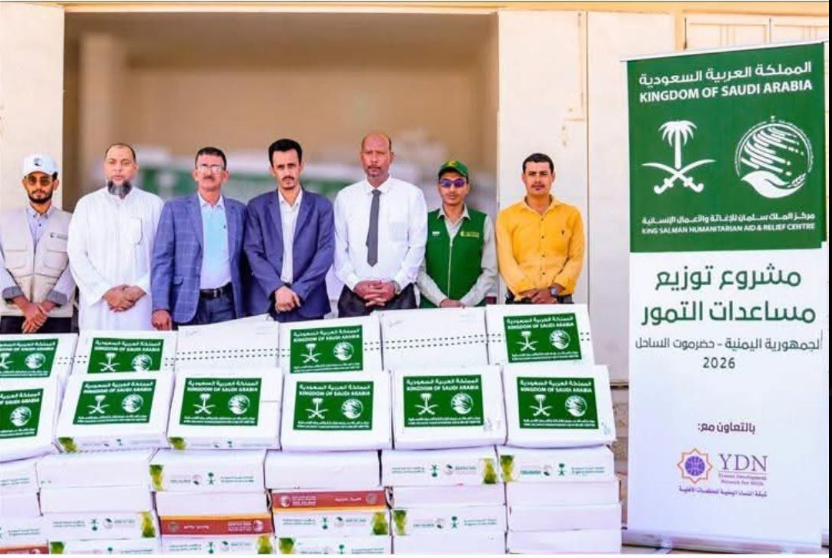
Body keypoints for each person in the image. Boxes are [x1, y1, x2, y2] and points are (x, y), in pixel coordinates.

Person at [67, 143, 164, 330]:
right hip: (99, 307)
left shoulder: (154, 205)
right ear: (105, 167)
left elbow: (163, 256)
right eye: (112, 162)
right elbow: (76, 254)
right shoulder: (87, 205)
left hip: (142, 307)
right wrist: (106, 292)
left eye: (125, 163)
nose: (118, 168)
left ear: (135, 168)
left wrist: (139, 289)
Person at [150, 147, 248, 329]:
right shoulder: (174, 209)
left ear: (225, 175)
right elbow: (162, 260)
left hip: (227, 306)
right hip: (185, 303)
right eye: (203, 166)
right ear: (195, 174)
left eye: (215, 167)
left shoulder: (239, 211)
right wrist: (160, 306)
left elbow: (245, 262)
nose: (209, 172)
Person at [334, 133, 427, 317]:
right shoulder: (345, 197)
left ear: (391, 157)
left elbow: (417, 246)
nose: (374, 159)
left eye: (380, 153)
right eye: (369, 153)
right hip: (354, 296)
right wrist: (355, 284)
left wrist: (396, 284)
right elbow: (338, 248)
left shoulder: (411, 196)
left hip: (399, 296)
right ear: (361, 157)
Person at [245, 139, 334, 322]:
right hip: (266, 304)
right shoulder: (256, 207)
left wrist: (299, 291)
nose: (287, 172)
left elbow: (326, 252)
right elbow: (253, 252)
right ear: (272, 170)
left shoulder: (322, 206)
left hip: (309, 302)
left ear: (301, 166)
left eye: (291, 165)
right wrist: (277, 289)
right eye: (280, 167)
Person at [0, 154, 75, 334]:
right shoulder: (4, 220)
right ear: (24, 183)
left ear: (55, 184)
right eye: (32, 180)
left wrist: (45, 307)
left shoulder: (72, 222)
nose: (38, 186)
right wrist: (26, 307)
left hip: (56, 316)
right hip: (13, 314)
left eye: (45, 180)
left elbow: (74, 267)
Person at [496, 152, 585, 304]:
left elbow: (576, 259)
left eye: (543, 174)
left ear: (553, 177)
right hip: (520, 303)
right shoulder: (507, 216)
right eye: (532, 174)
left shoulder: (571, 215)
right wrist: (530, 292)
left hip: (558, 300)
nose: (537, 180)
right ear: (523, 178)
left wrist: (552, 291)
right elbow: (505, 261)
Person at [417, 159, 497, 308]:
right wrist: (442, 300)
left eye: (459, 183)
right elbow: (418, 270)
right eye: (446, 184)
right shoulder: (425, 222)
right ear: (438, 188)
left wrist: (465, 303)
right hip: (431, 309)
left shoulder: (482, 222)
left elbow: (490, 272)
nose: (452, 189)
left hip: (471, 311)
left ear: (467, 188)